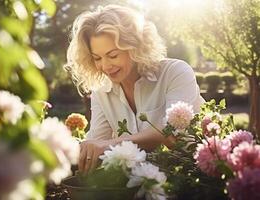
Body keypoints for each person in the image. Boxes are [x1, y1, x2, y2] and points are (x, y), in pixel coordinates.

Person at [64, 4, 205, 174]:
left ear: (135, 46)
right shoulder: (101, 91)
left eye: (113, 55)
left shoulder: (176, 72)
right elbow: (97, 141)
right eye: (97, 58)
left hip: (197, 175)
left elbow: (172, 132)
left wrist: (109, 144)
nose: (105, 66)